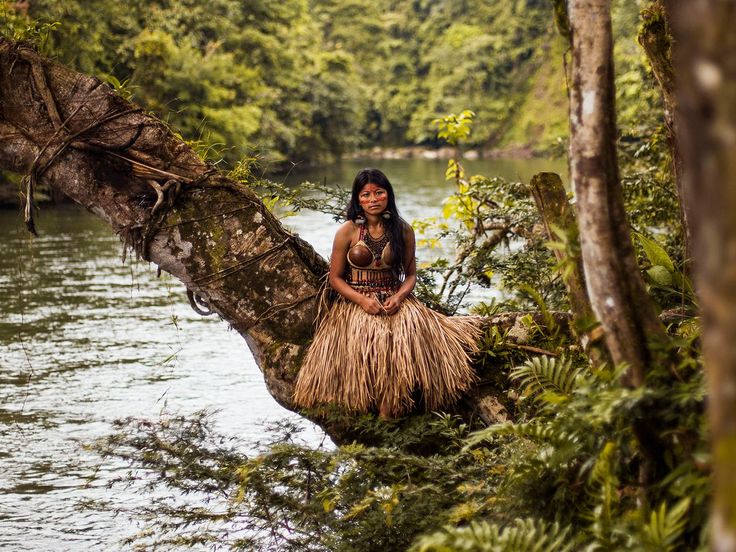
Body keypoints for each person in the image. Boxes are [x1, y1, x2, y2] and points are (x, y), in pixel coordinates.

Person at [293, 168, 480, 418]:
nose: (373, 199)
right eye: (366, 194)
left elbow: (410, 275)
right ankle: (366, 403)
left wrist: (399, 297)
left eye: (379, 193)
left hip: (395, 300)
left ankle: (393, 407)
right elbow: (335, 278)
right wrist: (361, 300)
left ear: (388, 195)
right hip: (356, 305)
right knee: (371, 350)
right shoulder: (347, 231)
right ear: (357, 199)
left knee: (398, 346)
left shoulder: (403, 230)